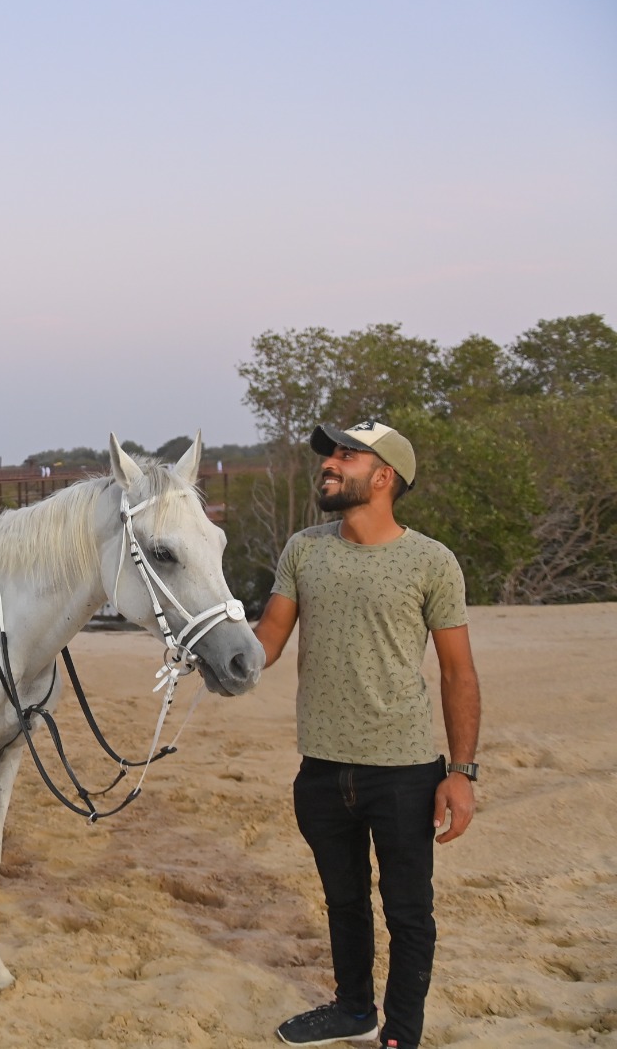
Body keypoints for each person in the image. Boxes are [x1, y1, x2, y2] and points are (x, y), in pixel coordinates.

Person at [253, 420, 482, 1049]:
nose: (330, 462)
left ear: (384, 477)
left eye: (347, 455)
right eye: (330, 453)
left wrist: (460, 774)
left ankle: (400, 1035)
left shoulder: (432, 561)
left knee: (409, 914)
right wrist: (220, 653)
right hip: (321, 769)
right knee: (344, 903)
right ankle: (354, 1009)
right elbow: (270, 635)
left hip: (405, 770)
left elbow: (459, 672)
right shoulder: (304, 548)